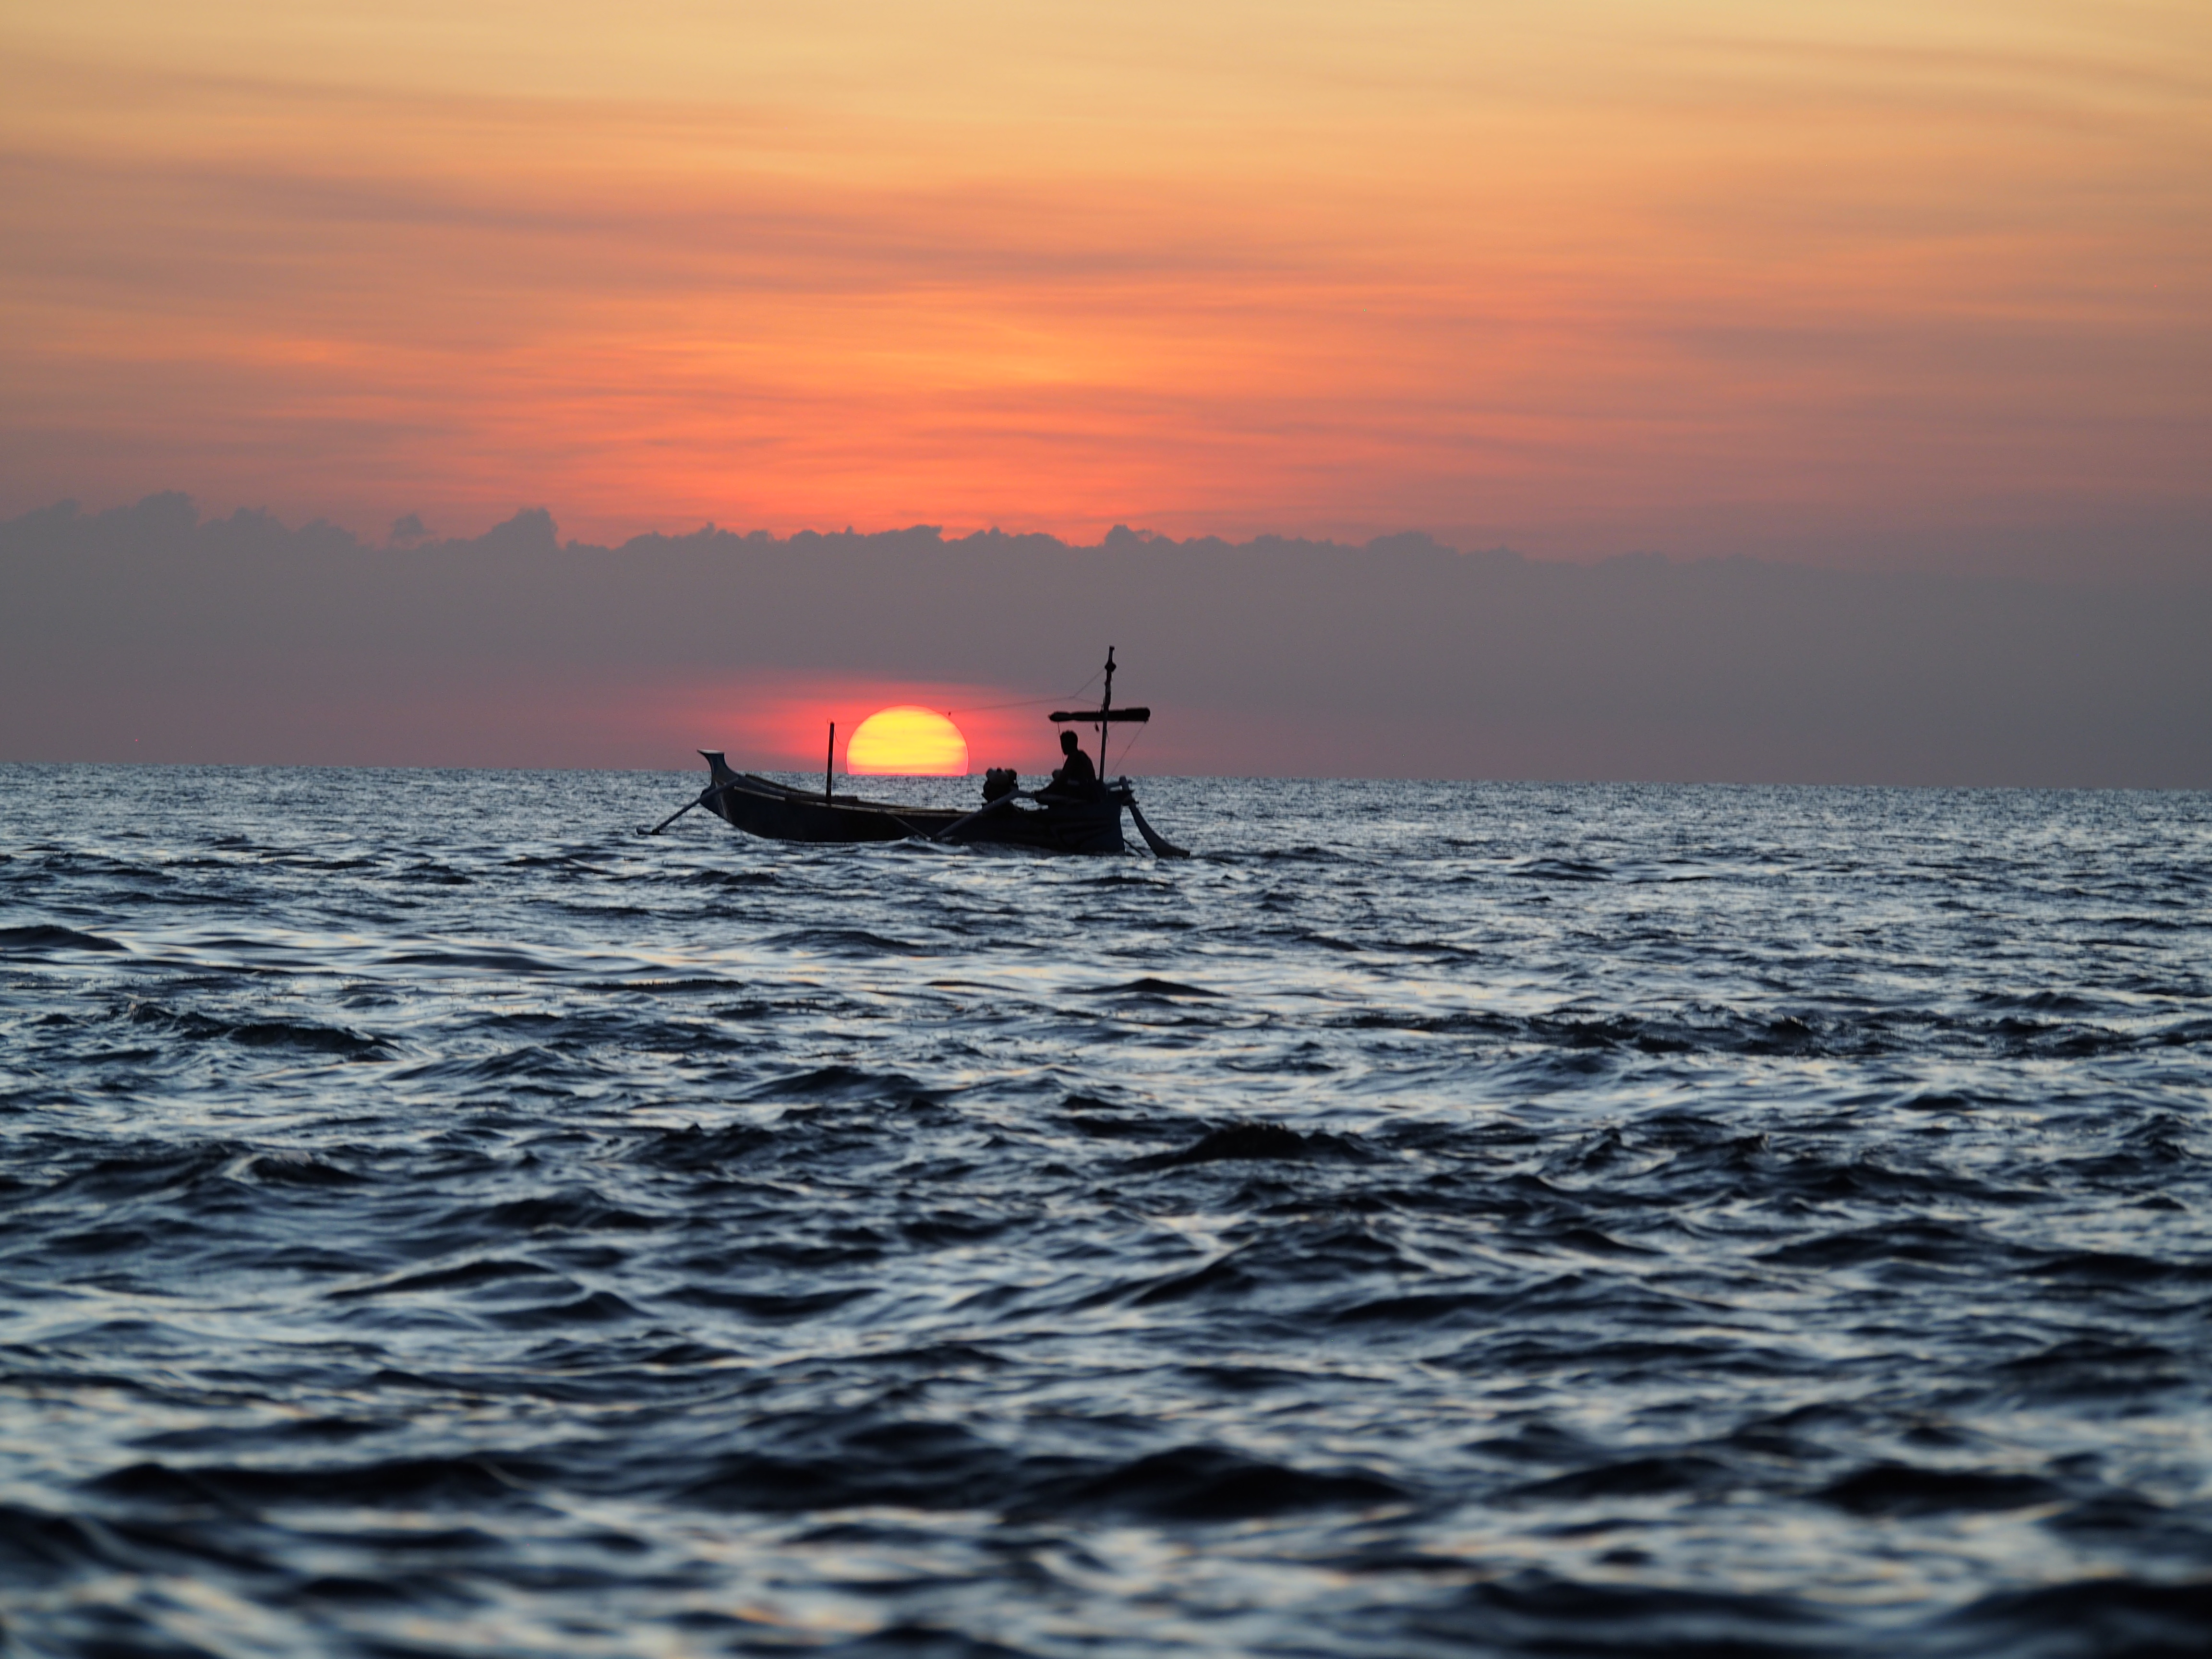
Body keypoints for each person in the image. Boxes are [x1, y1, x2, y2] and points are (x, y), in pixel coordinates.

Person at [1041, 729, 1101, 799]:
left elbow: (1062, 779)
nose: (1062, 747)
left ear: (1071, 744)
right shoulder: (1082, 755)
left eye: (1064, 744)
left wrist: (1045, 791)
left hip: (1083, 792)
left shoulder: (1074, 757)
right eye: (1062, 744)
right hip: (1089, 790)